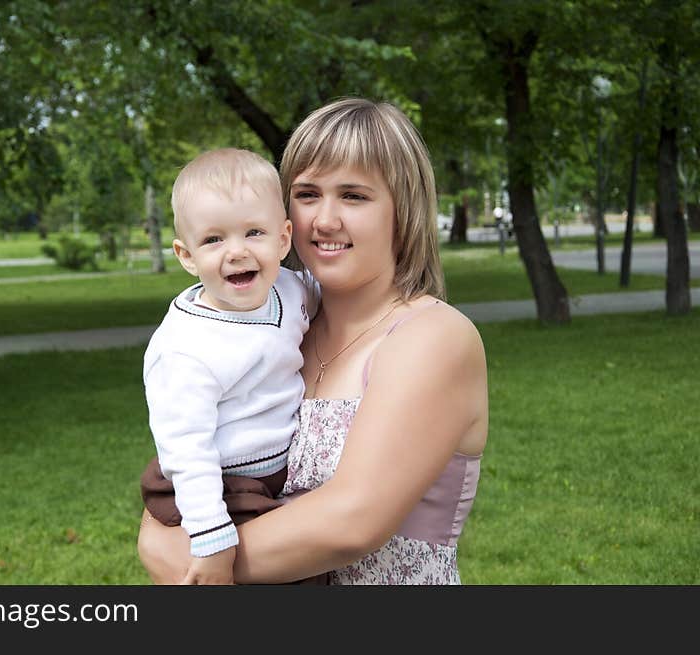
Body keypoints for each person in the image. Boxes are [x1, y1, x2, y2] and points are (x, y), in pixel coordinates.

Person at [138, 97, 488, 585]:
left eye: (353, 196)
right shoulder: (280, 327)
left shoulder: (431, 337)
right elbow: (194, 455)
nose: (324, 220)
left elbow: (350, 521)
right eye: (306, 194)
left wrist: (186, 555)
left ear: (402, 210)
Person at [139, 148, 317, 585]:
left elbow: (330, 297)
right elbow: (188, 450)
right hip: (221, 483)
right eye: (213, 240)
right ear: (186, 255)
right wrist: (213, 539)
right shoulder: (186, 347)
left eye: (253, 232)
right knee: (291, 577)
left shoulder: (291, 289)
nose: (236, 252)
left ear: (283, 238)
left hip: (272, 471)